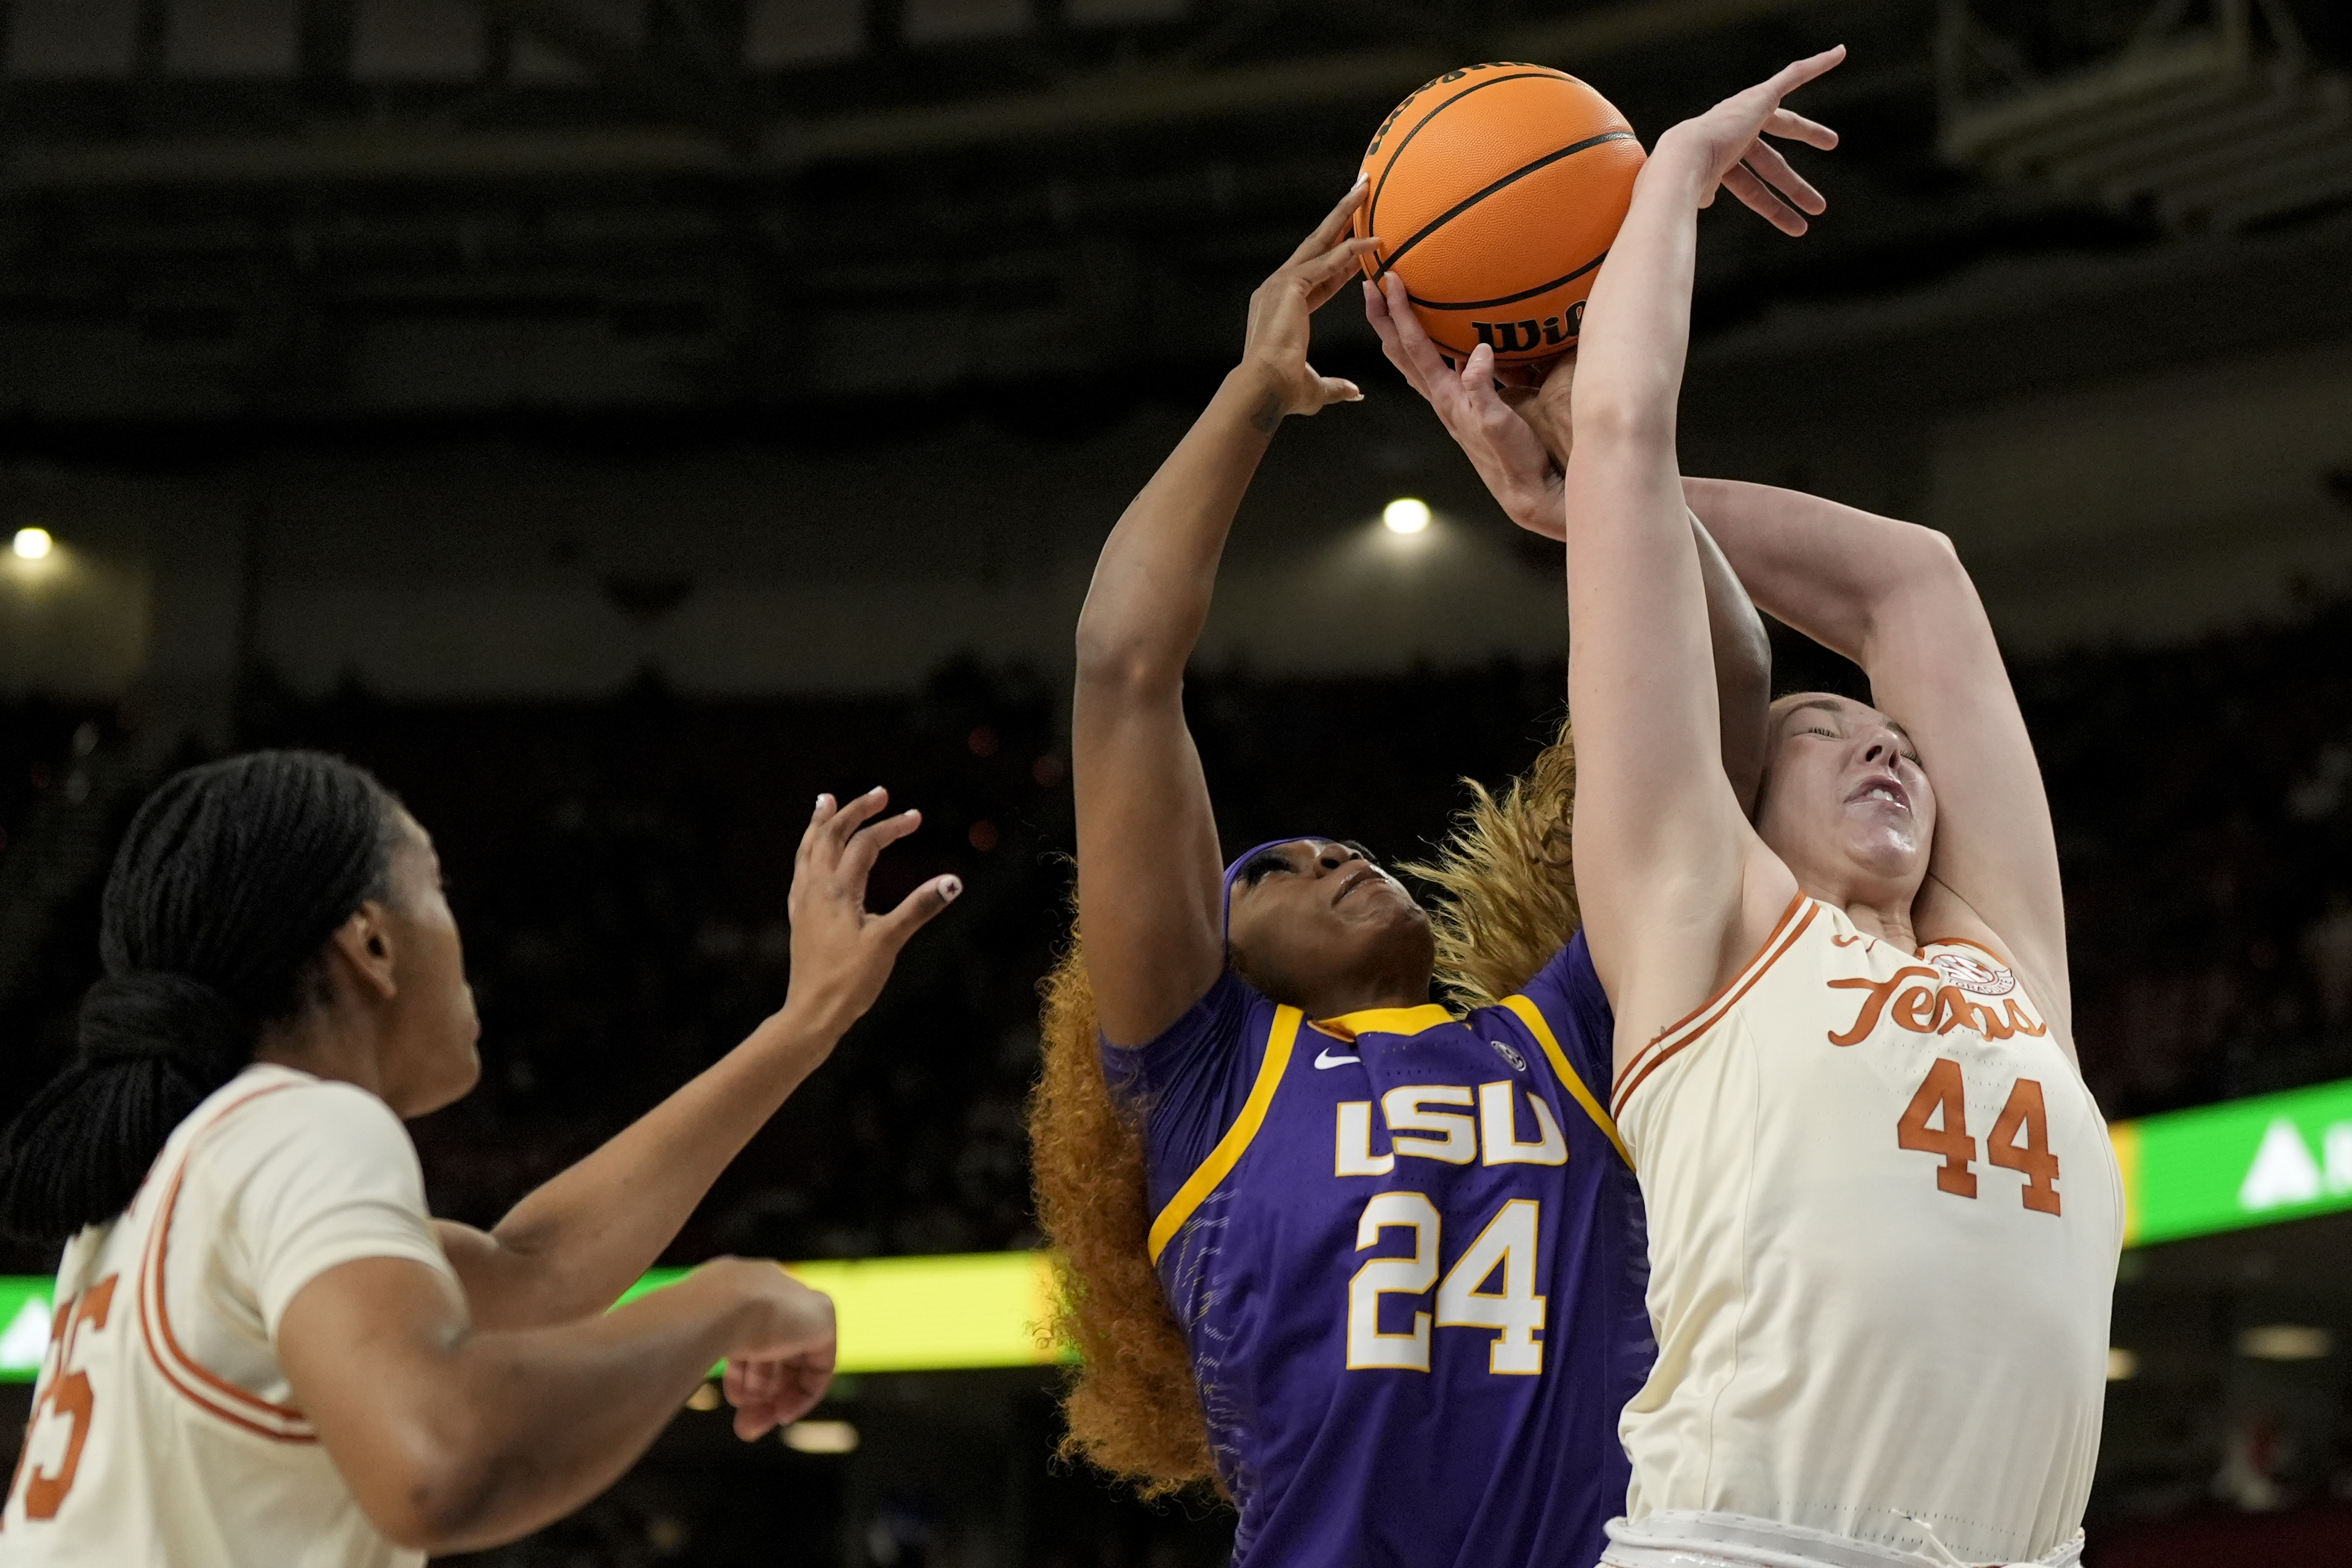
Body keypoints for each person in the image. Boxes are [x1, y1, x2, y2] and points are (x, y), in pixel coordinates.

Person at [1384, 48, 2119, 1568]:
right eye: (1823, 722)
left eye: (1889, 732)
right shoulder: (1703, 926)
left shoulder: (2002, 966)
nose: (1888, 746)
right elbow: (1635, 427)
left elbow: (1910, 578)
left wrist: (1586, 505)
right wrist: (1668, 183)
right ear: (1733, 800)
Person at [1025, 179, 1772, 1568]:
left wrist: (1605, 470)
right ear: (1215, 950)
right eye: (1274, 869)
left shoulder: (1565, 1034)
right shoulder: (1202, 1080)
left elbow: (1723, 692)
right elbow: (1124, 669)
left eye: (1335, 845)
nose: (1330, 854)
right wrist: (1249, 395)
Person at [0, 752, 959, 1565]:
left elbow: (530, 1274)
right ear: (372, 943)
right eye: (438, 892)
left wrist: (805, 1025)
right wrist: (728, 1298)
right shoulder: (301, 1124)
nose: (460, 933)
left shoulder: (161, 1189)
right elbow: (441, 1462)